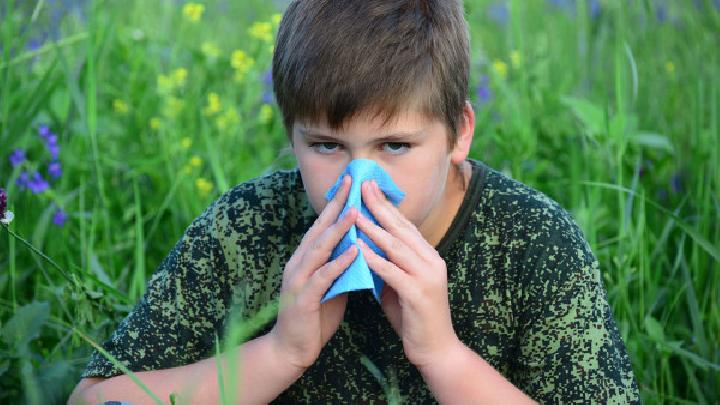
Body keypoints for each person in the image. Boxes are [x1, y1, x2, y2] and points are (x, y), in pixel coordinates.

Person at [69, 0, 640, 403]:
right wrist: (279, 353)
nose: (361, 183)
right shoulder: (246, 226)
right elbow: (95, 399)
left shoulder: (532, 241)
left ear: (459, 133)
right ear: (291, 135)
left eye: (396, 145)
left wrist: (443, 356)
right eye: (326, 146)